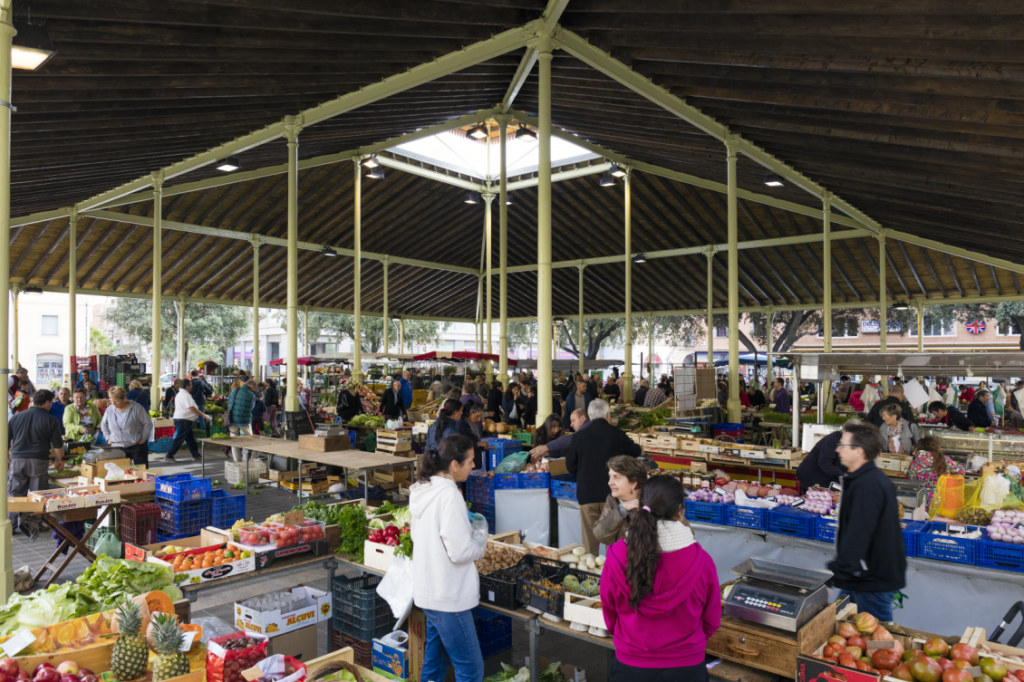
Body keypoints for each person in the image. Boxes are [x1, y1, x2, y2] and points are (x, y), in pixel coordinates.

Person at [601, 475, 720, 681]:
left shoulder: (617, 555)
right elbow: (711, 619)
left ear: (640, 505)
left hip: (631, 664)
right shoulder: (701, 561)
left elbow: (609, 612)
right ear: (680, 512)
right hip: (686, 666)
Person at [410, 434, 487, 682]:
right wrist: (480, 545)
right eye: (471, 461)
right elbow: (460, 551)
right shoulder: (449, 494)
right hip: (448, 597)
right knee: (471, 670)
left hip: (429, 592)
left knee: (436, 663)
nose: (474, 465)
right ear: (455, 465)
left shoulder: (424, 489)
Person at [828, 421, 906, 622]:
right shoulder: (865, 479)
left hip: (872, 577)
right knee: (840, 624)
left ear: (859, 451)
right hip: (860, 573)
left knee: (874, 639)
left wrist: (836, 574)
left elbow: (859, 534)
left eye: (843, 445)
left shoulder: (867, 485)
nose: (838, 449)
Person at [567, 400, 642, 555]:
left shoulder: (578, 437)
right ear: (608, 415)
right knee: (613, 541)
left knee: (589, 544)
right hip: (613, 495)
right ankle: (613, 574)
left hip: (587, 495)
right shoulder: (617, 434)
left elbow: (570, 466)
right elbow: (636, 451)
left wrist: (583, 471)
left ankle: (590, 576)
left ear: (590, 416)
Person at [8, 390, 64, 539]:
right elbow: (58, 444)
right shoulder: (50, 420)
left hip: (17, 460)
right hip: (39, 461)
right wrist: (59, 460)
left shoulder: (16, 417)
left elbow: (5, 438)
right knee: (38, 493)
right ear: (46, 403)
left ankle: (11, 525)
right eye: (51, 402)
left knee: (15, 493)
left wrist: (6, 458)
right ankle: (36, 524)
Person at [592, 456, 651, 547]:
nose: (609, 482)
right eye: (610, 477)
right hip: (617, 559)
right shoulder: (612, 500)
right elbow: (600, 535)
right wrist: (621, 510)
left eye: (616, 477)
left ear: (633, 483)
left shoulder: (652, 501)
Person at [906, 436, 966, 512]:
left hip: (921, 502)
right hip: (942, 501)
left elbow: (910, 481)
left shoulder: (914, 463)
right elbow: (961, 471)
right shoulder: (944, 460)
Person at [100, 386, 152, 466]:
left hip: (136, 445)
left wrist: (143, 438)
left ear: (124, 399)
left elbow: (148, 423)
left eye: (116, 401)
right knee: (120, 473)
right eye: (111, 401)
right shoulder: (109, 410)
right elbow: (103, 424)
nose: (113, 404)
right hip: (117, 447)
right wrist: (108, 438)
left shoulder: (136, 408)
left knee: (141, 472)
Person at [164, 379, 209, 462]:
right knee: (179, 438)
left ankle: (196, 455)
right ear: (187, 386)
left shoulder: (180, 394)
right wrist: (203, 415)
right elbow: (191, 408)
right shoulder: (185, 395)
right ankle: (169, 456)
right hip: (183, 420)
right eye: (191, 385)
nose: (192, 387)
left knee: (190, 438)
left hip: (183, 420)